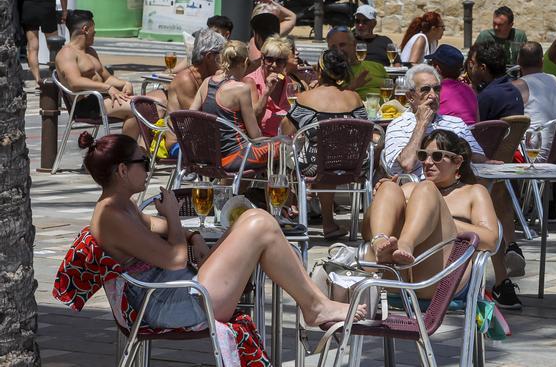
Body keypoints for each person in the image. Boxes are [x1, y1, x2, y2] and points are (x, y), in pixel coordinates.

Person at [79, 131, 364, 330]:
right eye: (144, 162)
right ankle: (315, 306)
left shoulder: (121, 206)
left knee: (251, 218)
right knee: (261, 223)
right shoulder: (111, 216)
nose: (148, 168)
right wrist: (176, 219)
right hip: (168, 305)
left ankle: (316, 302)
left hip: (177, 291)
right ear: (122, 171)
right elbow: (175, 258)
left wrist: (194, 235)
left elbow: (159, 228)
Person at [364, 130, 499, 299]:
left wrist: (440, 220)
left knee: (427, 189)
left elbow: (491, 241)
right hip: (396, 277)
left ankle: (406, 244)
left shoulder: (473, 192)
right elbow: (365, 233)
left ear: (457, 162)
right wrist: (379, 199)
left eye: (436, 156)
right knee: (389, 188)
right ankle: (381, 245)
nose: (427, 162)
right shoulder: (410, 189)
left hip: (443, 279)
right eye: (423, 155)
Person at [280, 49, 368, 239]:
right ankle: (329, 224)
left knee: (289, 154)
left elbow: (285, 130)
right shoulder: (354, 97)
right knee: (328, 153)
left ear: (320, 70)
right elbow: (365, 129)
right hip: (353, 165)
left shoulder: (307, 98)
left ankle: (287, 211)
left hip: (315, 166)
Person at [55, 10, 158, 140]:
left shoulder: (90, 51)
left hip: (101, 98)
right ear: (85, 29)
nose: (95, 33)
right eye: (94, 29)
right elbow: (75, 83)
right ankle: (125, 153)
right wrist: (107, 88)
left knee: (144, 106)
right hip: (86, 103)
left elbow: (107, 77)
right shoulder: (67, 53)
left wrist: (125, 83)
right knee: (138, 108)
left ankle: (127, 152)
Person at [383, 64, 486, 179]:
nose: (433, 95)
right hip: (417, 189)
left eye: (436, 89)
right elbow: (407, 164)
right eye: (425, 90)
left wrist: (488, 162)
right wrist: (421, 124)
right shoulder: (398, 125)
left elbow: (479, 158)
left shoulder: (456, 123)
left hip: (454, 188)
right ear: (410, 96)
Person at [190, 41, 277, 171]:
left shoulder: (207, 82)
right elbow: (255, 136)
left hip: (209, 156)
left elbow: (189, 116)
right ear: (244, 63)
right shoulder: (241, 89)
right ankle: (269, 190)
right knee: (284, 147)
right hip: (236, 156)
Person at [511, 41, 556, 162]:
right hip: (555, 153)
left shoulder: (517, 86)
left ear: (518, 62)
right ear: (542, 62)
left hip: (529, 153)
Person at [167, 28, 226, 112]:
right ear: (209, 57)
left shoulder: (207, 76)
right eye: (222, 56)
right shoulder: (186, 79)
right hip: (183, 124)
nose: (225, 62)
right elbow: (195, 117)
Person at [244, 36, 292, 137]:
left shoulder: (288, 82)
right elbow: (253, 119)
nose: (274, 65)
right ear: (262, 59)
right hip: (261, 142)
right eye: (269, 60)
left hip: (285, 141)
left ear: (285, 63)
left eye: (279, 61)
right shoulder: (250, 82)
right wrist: (267, 92)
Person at [466, 41, 524, 121]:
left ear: (482, 68)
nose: (471, 66)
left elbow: (473, 124)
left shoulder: (487, 96)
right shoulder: (514, 91)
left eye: (473, 63)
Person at [327, 26, 388, 98]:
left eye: (342, 45)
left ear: (354, 44)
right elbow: (330, 100)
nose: (339, 50)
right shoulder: (331, 74)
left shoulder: (377, 66)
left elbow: (392, 91)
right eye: (333, 47)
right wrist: (351, 87)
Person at [427, 44, 478, 126]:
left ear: (437, 68)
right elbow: (477, 121)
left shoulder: (436, 93)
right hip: (471, 136)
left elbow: (424, 119)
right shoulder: (470, 90)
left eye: (431, 64)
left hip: (447, 136)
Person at [247, 0, 296, 74]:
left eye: (272, 20)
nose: (268, 25)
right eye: (262, 22)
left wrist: (271, 2)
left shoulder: (275, 33)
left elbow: (291, 17)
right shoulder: (254, 42)